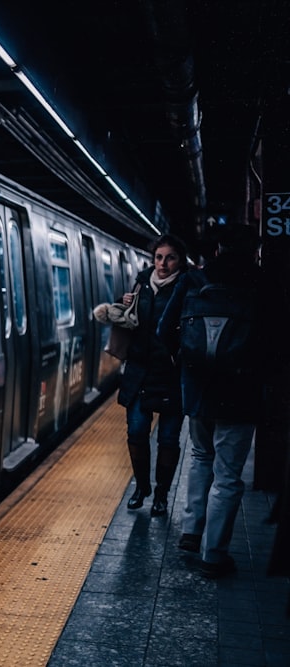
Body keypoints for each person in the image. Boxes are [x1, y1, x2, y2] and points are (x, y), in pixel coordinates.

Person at [157, 224, 267, 578]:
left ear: (218, 248)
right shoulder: (263, 282)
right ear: (253, 250)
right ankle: (214, 554)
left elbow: (163, 329)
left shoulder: (194, 280)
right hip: (241, 391)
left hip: (198, 387)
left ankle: (191, 531)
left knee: (201, 456)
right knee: (229, 476)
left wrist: (185, 361)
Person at [117, 234, 189, 516]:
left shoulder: (188, 289)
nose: (163, 263)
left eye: (170, 257)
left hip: (173, 375)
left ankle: (161, 493)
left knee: (169, 439)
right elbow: (126, 319)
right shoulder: (141, 285)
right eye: (159, 257)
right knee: (136, 432)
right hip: (140, 373)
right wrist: (123, 303)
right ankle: (142, 487)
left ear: (180, 261)